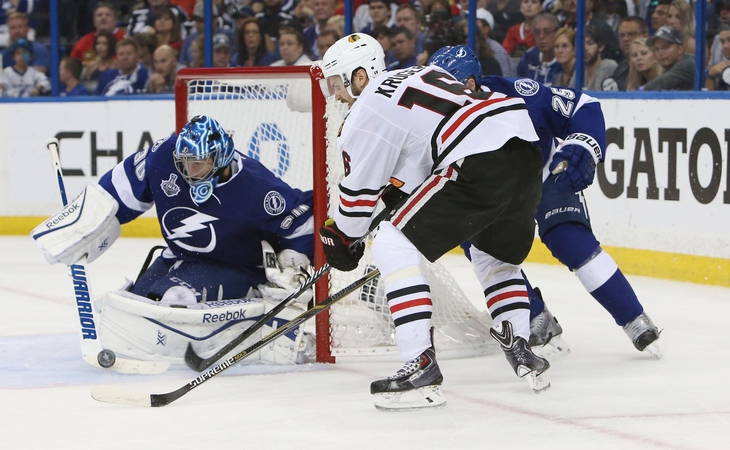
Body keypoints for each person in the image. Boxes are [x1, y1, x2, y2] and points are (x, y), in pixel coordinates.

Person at [318, 33, 550, 410]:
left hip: (477, 156)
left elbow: (358, 196)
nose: (336, 95)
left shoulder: (367, 108)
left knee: (392, 242)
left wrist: (342, 236)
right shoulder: (415, 74)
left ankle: (420, 365)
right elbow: (423, 153)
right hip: (523, 149)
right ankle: (520, 345)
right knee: (494, 257)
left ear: (360, 76)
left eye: (336, 83)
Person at [428, 44, 662, 360]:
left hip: (543, 173)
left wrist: (584, 145)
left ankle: (633, 318)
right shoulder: (429, 116)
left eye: (443, 86)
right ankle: (535, 317)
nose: (435, 96)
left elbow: (583, 104)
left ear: (470, 83)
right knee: (483, 249)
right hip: (487, 193)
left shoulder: (518, 94)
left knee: (568, 238)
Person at [32, 115, 316, 364]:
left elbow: (302, 220)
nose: (188, 172)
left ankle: (241, 321)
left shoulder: (258, 189)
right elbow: (116, 192)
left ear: (220, 158)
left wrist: (292, 265)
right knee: (135, 302)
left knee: (174, 300)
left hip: (237, 266)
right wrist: (80, 228)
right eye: (184, 163)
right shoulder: (163, 156)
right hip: (179, 258)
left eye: (198, 164)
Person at [604, 16, 648, 91]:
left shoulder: (648, 66)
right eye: (622, 35)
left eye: (631, 34)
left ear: (645, 35)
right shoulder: (620, 68)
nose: (625, 39)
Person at [642, 25, 693, 91]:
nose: (660, 53)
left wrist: (641, 90)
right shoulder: (668, 70)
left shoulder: (688, 64)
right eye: (657, 49)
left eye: (665, 47)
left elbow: (657, 85)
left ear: (680, 49)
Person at [517, 12, 562, 85]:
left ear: (557, 33)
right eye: (537, 32)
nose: (541, 36)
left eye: (547, 32)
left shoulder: (563, 61)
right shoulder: (529, 56)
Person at [584, 26, 618, 90]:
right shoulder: (580, 71)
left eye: (590, 43)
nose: (585, 48)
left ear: (601, 47)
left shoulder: (608, 66)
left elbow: (598, 93)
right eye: (580, 45)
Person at [707, 24, 730, 90]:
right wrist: (711, 76)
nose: (725, 46)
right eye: (722, 42)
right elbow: (708, 95)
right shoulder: (722, 69)